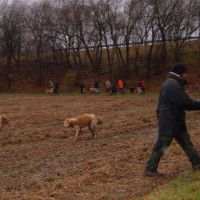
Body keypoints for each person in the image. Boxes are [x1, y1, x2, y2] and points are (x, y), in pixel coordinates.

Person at [144, 63, 200, 177]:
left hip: (173, 120)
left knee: (186, 142)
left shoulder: (169, 83)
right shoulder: (173, 86)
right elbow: (186, 103)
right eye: (185, 73)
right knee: (162, 144)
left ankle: (197, 164)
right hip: (170, 121)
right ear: (181, 73)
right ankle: (150, 169)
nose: (186, 75)